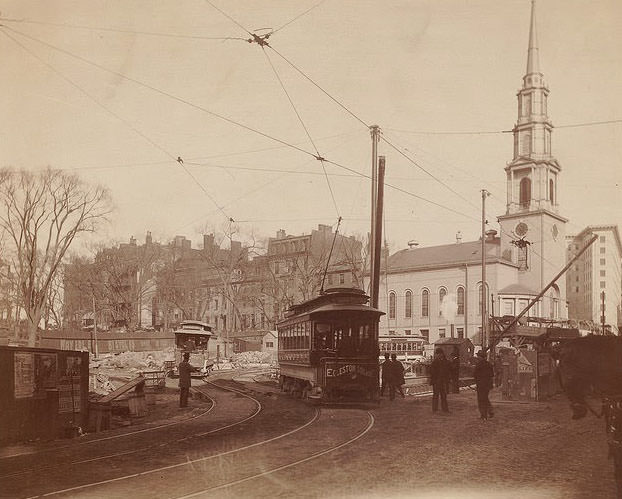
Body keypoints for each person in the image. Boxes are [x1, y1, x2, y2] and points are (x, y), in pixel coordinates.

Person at [474, 350, 495, 420]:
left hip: (481, 385)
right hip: (487, 385)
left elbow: (475, 374)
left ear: (481, 357)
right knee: (485, 398)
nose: (477, 357)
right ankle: (490, 411)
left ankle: (483, 415)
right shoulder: (489, 364)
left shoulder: (479, 365)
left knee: (481, 400)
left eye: (478, 356)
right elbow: (492, 375)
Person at [430, 348, 450, 413]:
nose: (439, 355)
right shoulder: (436, 362)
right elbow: (432, 372)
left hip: (441, 381)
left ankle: (444, 409)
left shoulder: (441, 361)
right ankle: (435, 409)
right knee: (437, 395)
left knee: (443, 395)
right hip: (437, 381)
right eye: (438, 354)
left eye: (440, 354)